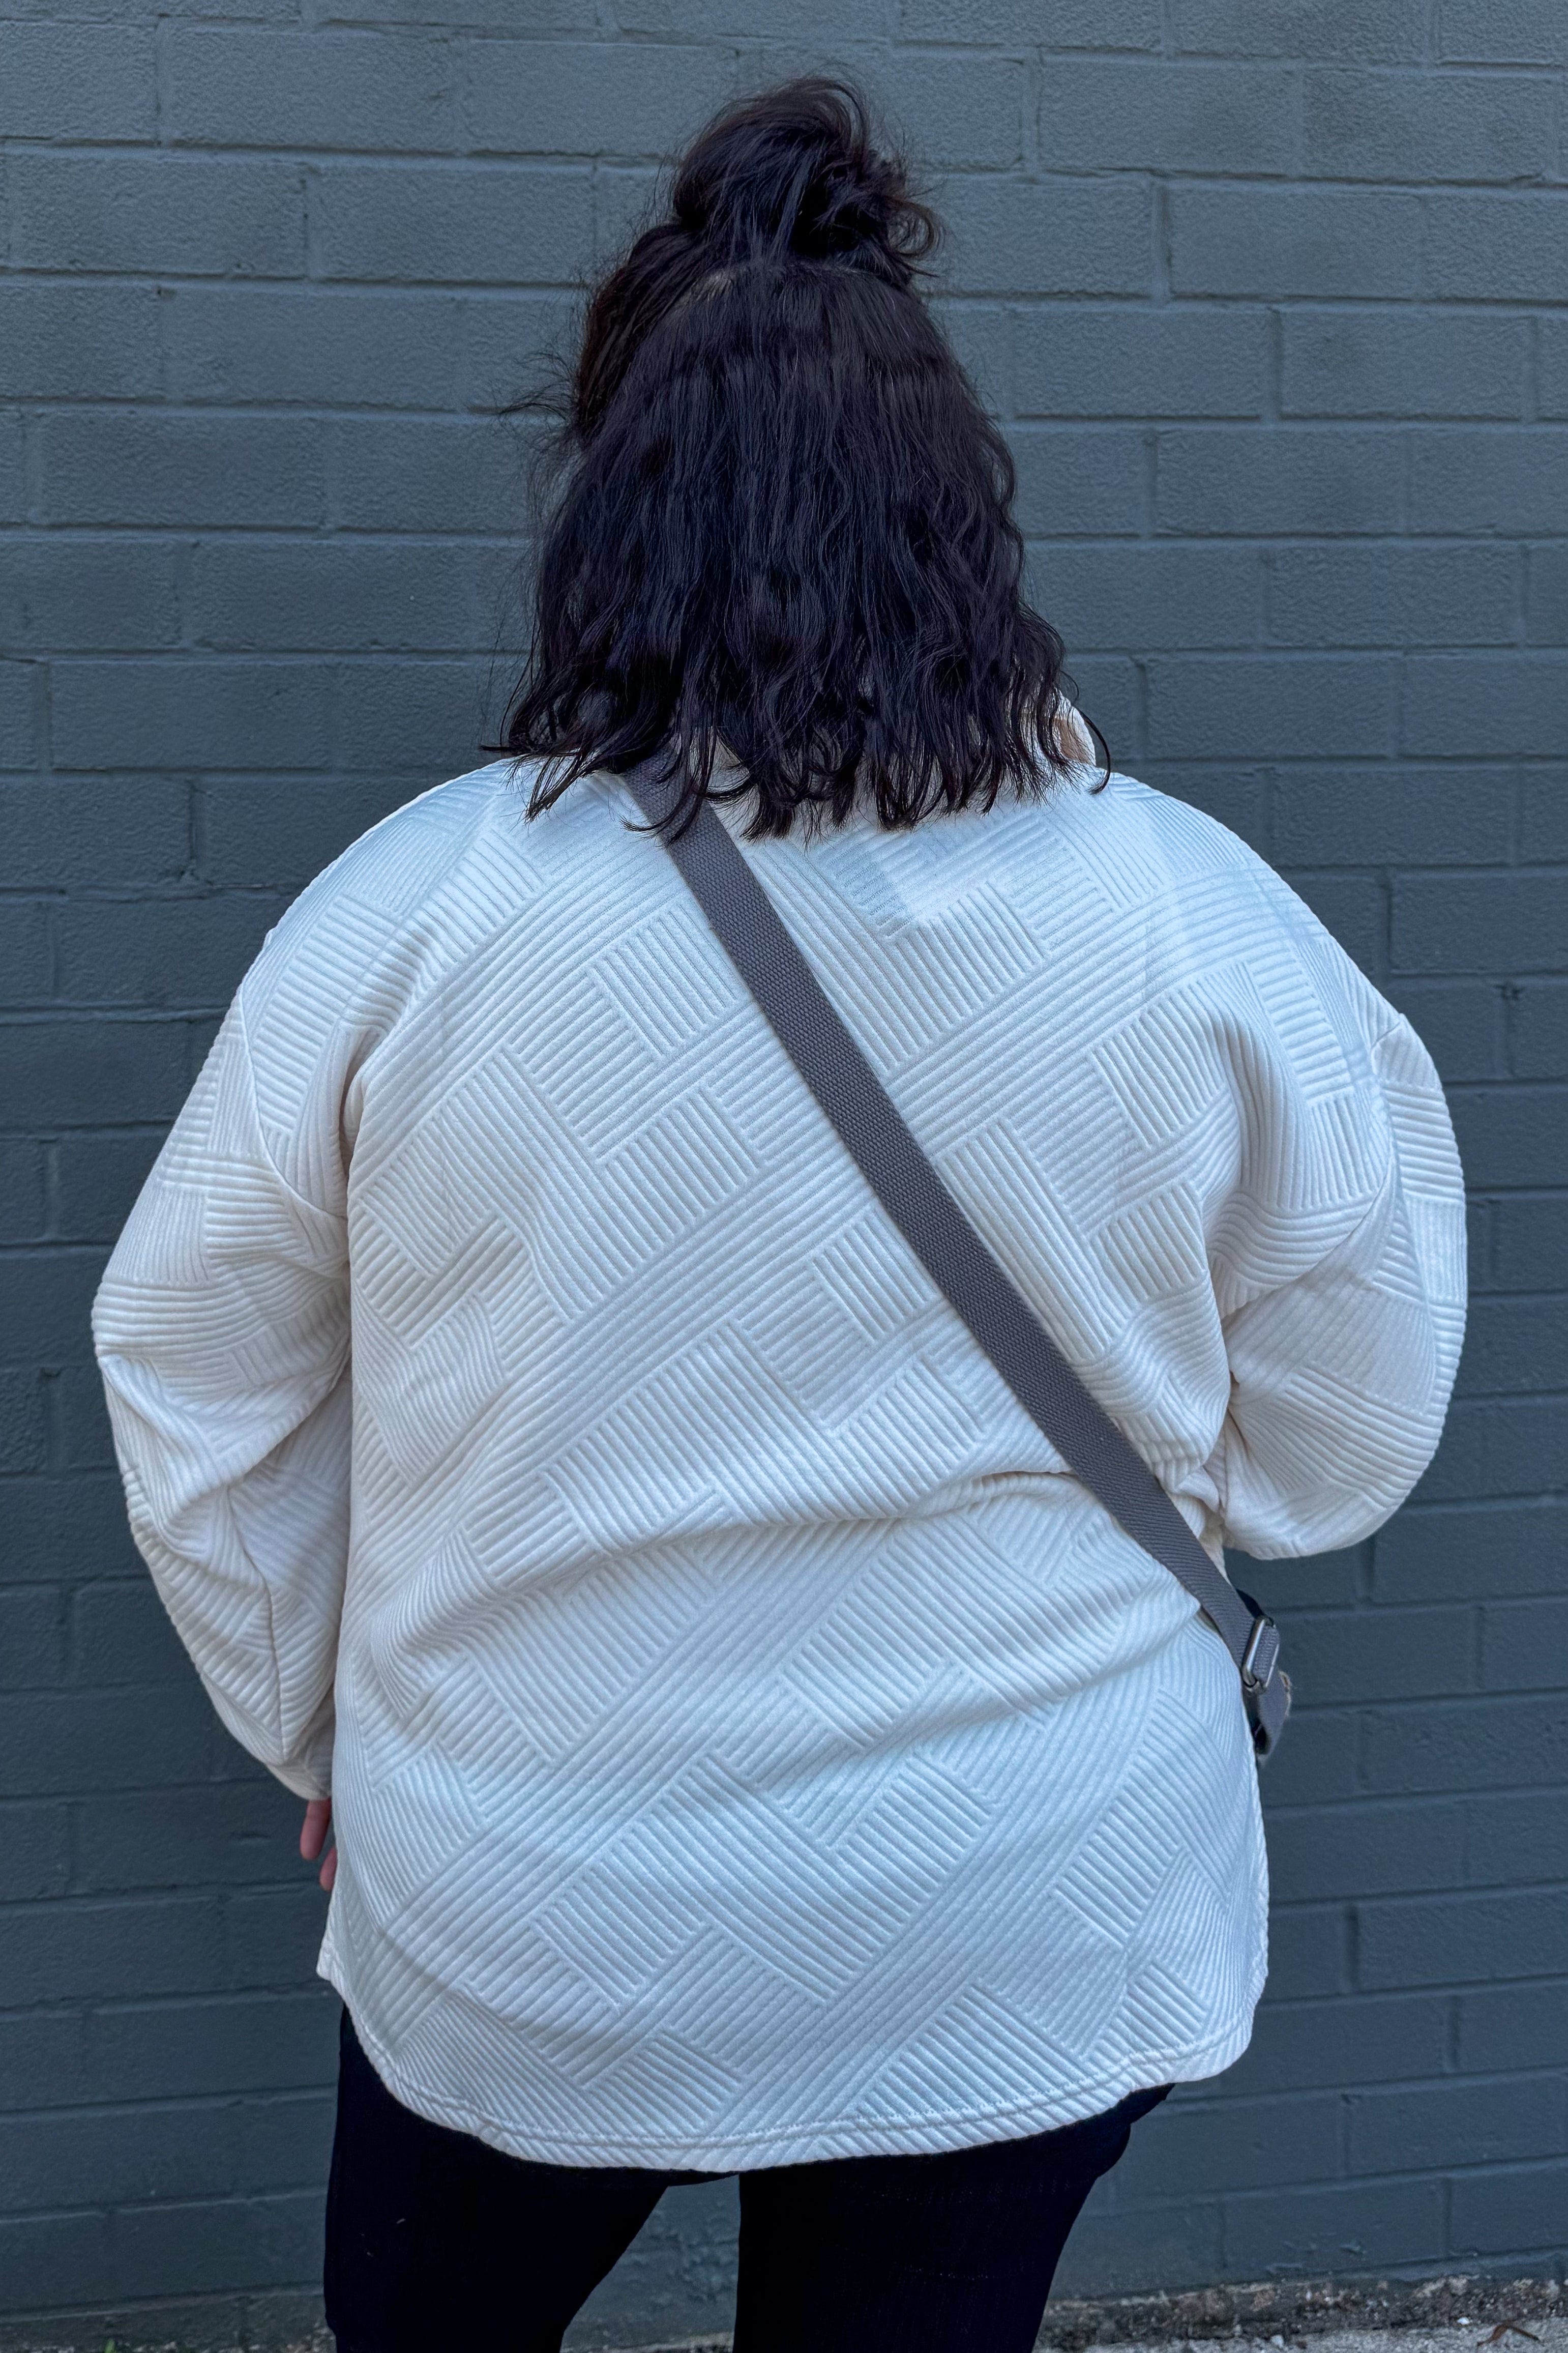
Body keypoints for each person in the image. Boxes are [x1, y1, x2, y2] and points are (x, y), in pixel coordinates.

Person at [91, 76, 1466, 2353]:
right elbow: (1353, 1414)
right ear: (962, 527)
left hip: (532, 1906)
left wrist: (322, 1723)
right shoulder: (1197, 923)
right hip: (1032, 1895)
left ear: (608, 529)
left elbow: (198, 1370)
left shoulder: (415, 917)